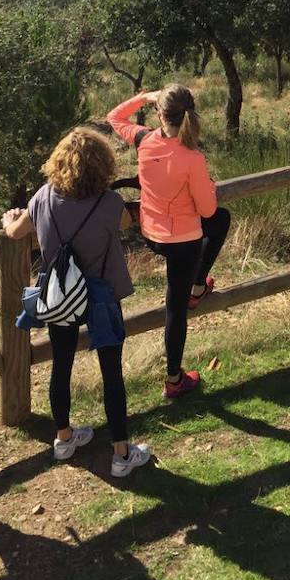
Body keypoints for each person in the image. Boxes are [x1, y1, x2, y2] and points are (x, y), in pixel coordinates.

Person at [0, 128, 153, 477]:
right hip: (101, 295)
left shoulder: (42, 198)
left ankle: (64, 438)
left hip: (60, 295)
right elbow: (127, 223)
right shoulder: (110, 203)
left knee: (61, 364)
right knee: (112, 373)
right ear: (102, 164)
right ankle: (121, 453)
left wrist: (9, 220)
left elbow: (15, 232)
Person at [107, 85, 232, 399]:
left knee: (178, 301)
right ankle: (174, 379)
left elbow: (113, 117)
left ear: (159, 114)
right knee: (176, 306)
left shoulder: (144, 140)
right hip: (183, 241)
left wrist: (143, 97)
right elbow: (207, 210)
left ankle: (198, 287)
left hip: (152, 235)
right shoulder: (193, 157)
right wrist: (210, 189)